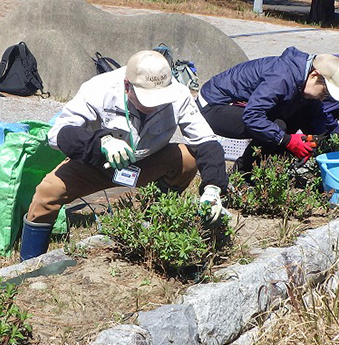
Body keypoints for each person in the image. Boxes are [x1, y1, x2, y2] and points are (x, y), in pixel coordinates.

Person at [21, 50, 229, 259]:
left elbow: (206, 141)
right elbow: (57, 134)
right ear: (127, 85)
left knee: (187, 159)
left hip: (147, 161)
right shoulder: (99, 88)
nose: (154, 105)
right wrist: (102, 142)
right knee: (47, 192)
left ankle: (153, 221)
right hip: (98, 163)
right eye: (147, 99)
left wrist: (213, 187)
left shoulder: (178, 94)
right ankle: (29, 263)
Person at [196, 47, 339, 163]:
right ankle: (244, 175)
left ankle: (273, 169)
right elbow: (253, 116)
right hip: (213, 106)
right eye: (326, 91)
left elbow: (317, 119)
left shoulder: (303, 79)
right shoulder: (281, 77)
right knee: (279, 126)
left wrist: (318, 144)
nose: (324, 97)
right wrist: (287, 141)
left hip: (243, 107)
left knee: (294, 117)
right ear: (314, 75)